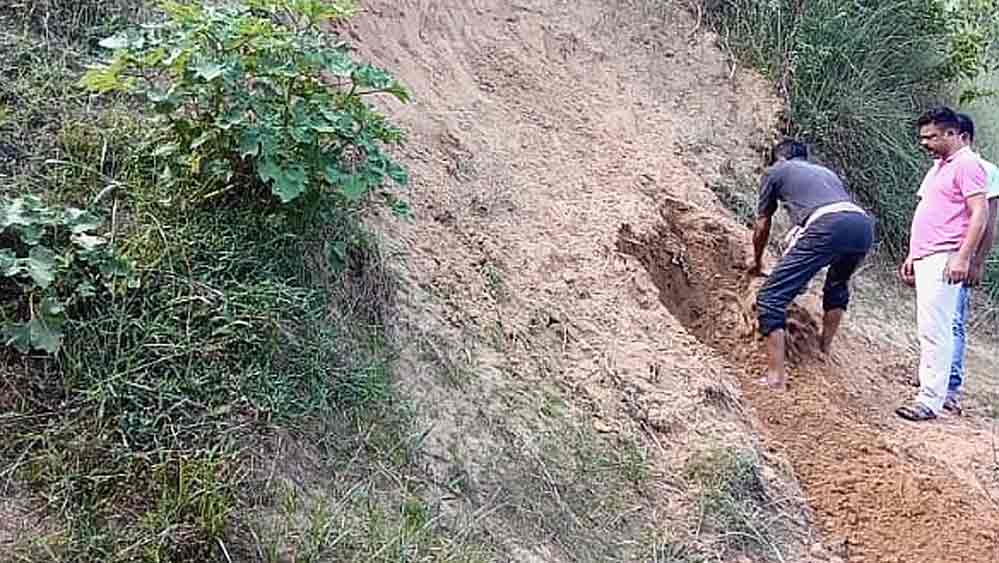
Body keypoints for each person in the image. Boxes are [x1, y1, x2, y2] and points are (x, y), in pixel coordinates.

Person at [750, 140, 874, 390]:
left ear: (779, 158)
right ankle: (824, 348)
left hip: (827, 224)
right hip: (863, 225)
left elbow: (762, 225)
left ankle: (775, 378)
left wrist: (756, 261)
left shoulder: (776, 171)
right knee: (837, 284)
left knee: (770, 296)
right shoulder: (825, 173)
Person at [896, 106, 989, 422]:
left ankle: (931, 400)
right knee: (929, 328)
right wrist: (913, 253)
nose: (924, 143)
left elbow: (981, 213)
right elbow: (928, 210)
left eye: (931, 137)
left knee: (937, 328)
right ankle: (928, 392)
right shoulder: (939, 166)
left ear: (951, 133)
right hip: (928, 255)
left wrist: (964, 257)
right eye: (923, 137)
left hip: (945, 255)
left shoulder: (967, 165)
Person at [940, 113, 999, 415]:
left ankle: (950, 387)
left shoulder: (984, 169)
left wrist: (976, 261)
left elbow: (988, 221)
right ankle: (938, 381)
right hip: (941, 254)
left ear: (964, 137)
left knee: (953, 321)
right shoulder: (943, 165)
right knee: (941, 320)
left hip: (959, 255)